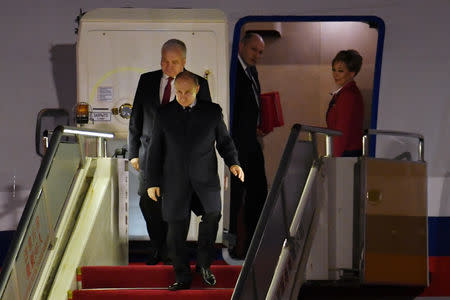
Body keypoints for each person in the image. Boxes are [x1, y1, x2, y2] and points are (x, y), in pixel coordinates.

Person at [146, 71, 244, 291]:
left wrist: (234, 163)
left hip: (205, 180)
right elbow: (155, 151)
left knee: (212, 215)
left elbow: (225, 142)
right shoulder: (164, 113)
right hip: (174, 181)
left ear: (197, 89)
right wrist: (152, 181)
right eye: (178, 92)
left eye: (187, 92)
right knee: (175, 230)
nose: (182, 96)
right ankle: (182, 276)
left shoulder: (212, 112)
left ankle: (204, 265)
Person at [128, 39, 211, 265]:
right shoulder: (147, 80)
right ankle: (159, 248)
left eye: (174, 62)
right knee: (148, 202)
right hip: (149, 154)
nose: (168, 66)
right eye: (164, 61)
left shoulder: (197, 83)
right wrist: (133, 153)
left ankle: (173, 251)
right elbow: (136, 117)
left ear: (184, 61)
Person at [230, 32, 268, 258]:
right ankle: (234, 244)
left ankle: (254, 244)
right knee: (236, 195)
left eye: (260, 52)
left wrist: (254, 127)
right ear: (242, 46)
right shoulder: (234, 71)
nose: (257, 55)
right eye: (254, 49)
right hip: (236, 145)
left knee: (259, 192)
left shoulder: (252, 72)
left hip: (250, 142)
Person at [326, 49, 364, 157]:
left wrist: (334, 158)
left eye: (340, 71)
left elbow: (342, 132)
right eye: (334, 70)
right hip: (346, 152)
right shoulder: (345, 93)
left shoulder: (348, 95)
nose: (335, 75)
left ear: (352, 73)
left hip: (346, 153)